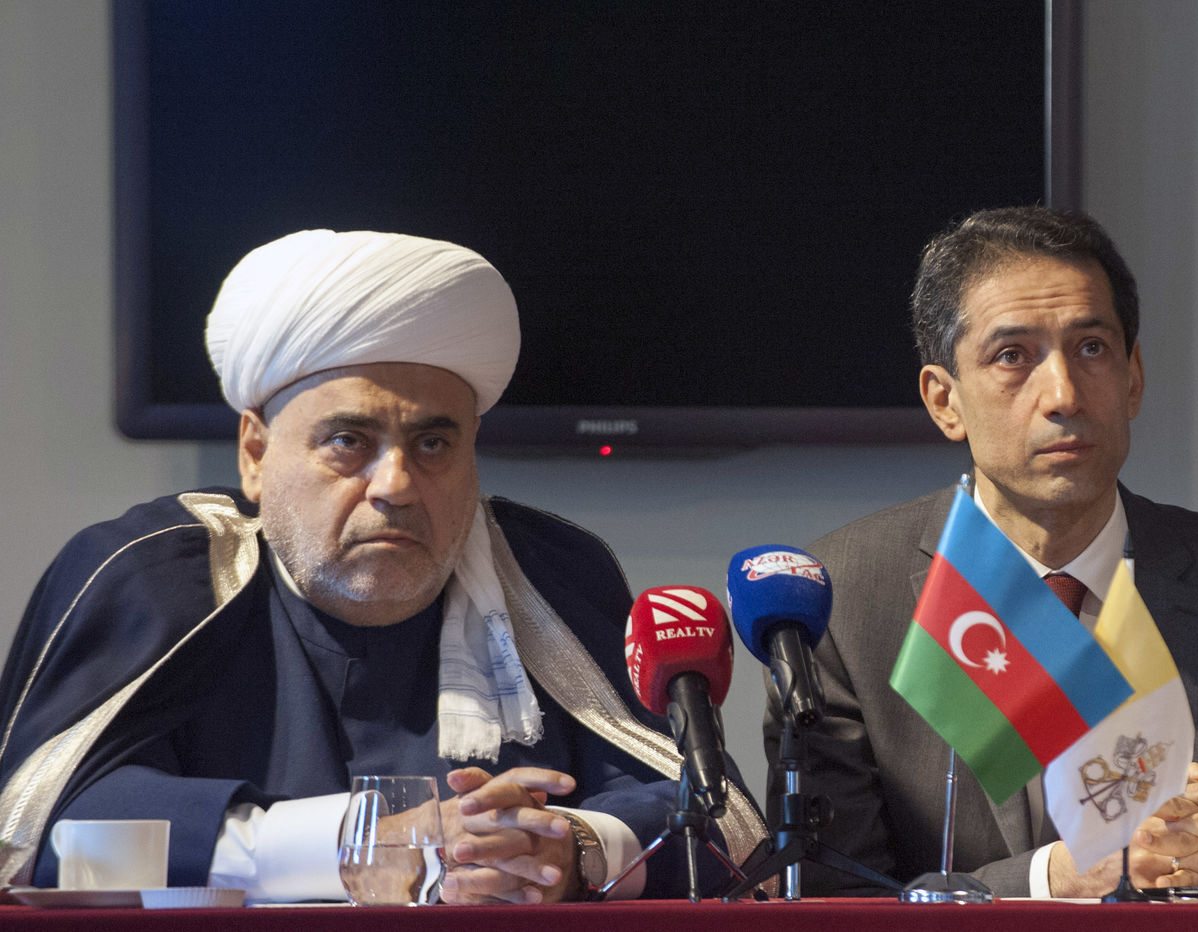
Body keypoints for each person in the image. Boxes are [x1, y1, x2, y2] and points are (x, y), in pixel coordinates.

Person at [0, 230, 767, 903]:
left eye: (433, 444)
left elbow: (721, 822)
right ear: (256, 454)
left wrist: (570, 852)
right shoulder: (156, 574)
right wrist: (353, 843)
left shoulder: (548, 572)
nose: (396, 485)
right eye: (349, 442)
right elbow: (48, 838)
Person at [764, 205, 1198, 897]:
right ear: (944, 400)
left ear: (1134, 377)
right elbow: (829, 899)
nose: (1064, 394)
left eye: (1092, 348)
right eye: (1013, 356)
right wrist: (1055, 878)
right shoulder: (843, 602)